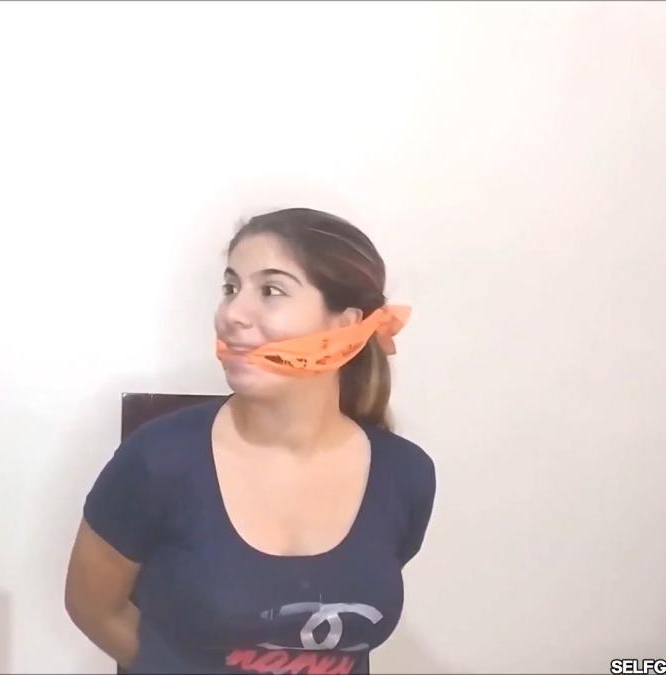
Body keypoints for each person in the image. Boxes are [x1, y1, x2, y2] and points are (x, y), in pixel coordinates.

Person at [65, 207, 436, 674]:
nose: (232, 315)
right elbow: (94, 607)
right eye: (230, 288)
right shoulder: (158, 460)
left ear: (345, 325)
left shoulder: (404, 475)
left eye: (271, 291)